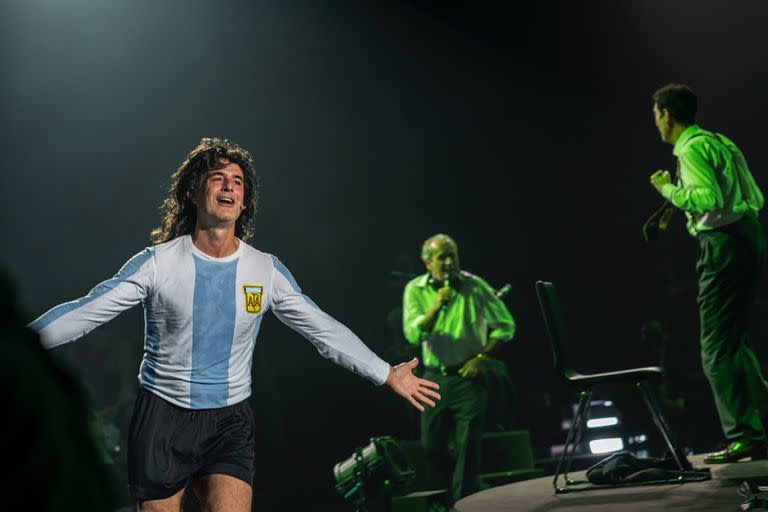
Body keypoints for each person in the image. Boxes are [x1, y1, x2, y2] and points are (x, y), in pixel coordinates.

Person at [28, 137, 441, 512]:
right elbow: (84, 311)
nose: (229, 186)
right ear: (193, 191)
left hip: (229, 422)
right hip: (162, 419)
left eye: (237, 181)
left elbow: (322, 328)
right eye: (217, 178)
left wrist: (385, 373)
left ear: (244, 202)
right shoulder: (157, 263)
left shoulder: (265, 270)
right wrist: (16, 346)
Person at [649, 83, 768, 464]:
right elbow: (754, 196)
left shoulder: (691, 148)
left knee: (715, 347)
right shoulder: (719, 141)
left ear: (667, 114)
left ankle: (743, 435)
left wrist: (669, 190)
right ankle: (759, 428)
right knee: (736, 343)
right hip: (748, 235)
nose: (655, 123)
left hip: (722, 244)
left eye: (655, 115)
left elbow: (709, 199)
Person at [402, 234, 516, 504]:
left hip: (468, 378)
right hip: (433, 378)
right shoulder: (415, 289)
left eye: (453, 255)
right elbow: (412, 335)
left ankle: (462, 503)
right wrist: (437, 305)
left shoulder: (474, 285)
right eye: (442, 257)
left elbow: (506, 325)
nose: (450, 262)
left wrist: (481, 357)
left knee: (468, 449)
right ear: (427, 262)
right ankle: (468, 492)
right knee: (431, 448)